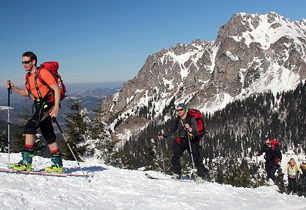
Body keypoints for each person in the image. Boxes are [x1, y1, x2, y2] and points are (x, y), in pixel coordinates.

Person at [6, 51, 63, 173]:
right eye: (23, 62)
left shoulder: (43, 72)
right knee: (48, 134)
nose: (24, 65)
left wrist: (56, 106)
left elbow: (56, 88)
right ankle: (58, 165)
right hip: (39, 106)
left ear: (33, 61)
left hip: (47, 105)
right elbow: (27, 93)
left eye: (26, 62)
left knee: (29, 128)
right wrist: (14, 88)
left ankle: (26, 162)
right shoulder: (28, 77)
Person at [158, 103, 207, 180]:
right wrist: (164, 136)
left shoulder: (191, 118)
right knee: (176, 154)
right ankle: (176, 173)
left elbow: (195, 131)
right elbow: (172, 130)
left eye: (181, 109)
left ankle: (202, 175)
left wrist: (190, 128)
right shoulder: (178, 119)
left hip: (192, 140)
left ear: (185, 109)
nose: (179, 111)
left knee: (196, 157)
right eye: (177, 110)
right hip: (183, 139)